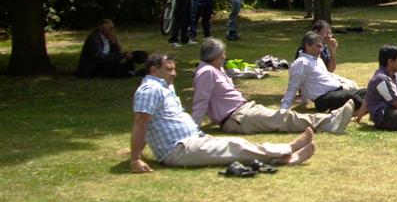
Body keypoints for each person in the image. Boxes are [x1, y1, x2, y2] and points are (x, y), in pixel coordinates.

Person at [130, 53, 315, 172]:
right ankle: (287, 150)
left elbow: (153, 123)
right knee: (234, 146)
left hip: (192, 140)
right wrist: (136, 158)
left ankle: (285, 159)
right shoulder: (150, 89)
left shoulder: (163, 87)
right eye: (168, 70)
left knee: (235, 148)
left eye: (174, 69)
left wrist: (137, 149)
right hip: (179, 148)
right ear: (153, 70)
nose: (173, 74)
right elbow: (141, 121)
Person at [193, 38, 353, 134]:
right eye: (222, 54)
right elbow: (200, 102)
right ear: (215, 56)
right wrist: (193, 131)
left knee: (281, 117)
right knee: (283, 118)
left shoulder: (214, 68)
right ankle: (329, 121)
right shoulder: (207, 72)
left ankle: (329, 120)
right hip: (237, 118)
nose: (225, 57)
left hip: (242, 112)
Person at [281, 32, 365, 113]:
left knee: (365, 92)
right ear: (307, 46)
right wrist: (283, 109)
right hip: (324, 99)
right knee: (355, 97)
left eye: (322, 47)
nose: (321, 50)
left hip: (337, 92)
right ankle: (361, 110)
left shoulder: (318, 59)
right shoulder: (301, 63)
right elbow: (293, 87)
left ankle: (362, 109)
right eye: (318, 46)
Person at [76, 19, 148, 78]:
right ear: (102, 29)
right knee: (114, 64)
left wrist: (115, 44)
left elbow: (116, 53)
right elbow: (100, 57)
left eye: (113, 28)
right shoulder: (94, 39)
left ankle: (130, 70)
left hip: (105, 61)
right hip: (93, 66)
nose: (113, 30)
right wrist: (122, 55)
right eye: (110, 28)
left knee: (132, 55)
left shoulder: (109, 38)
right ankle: (133, 73)